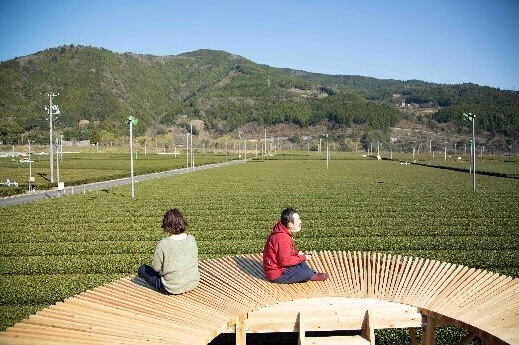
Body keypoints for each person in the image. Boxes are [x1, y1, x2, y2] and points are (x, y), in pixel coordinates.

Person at [138, 208, 200, 294]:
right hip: (193, 282)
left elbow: (156, 268)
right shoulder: (191, 239)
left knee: (142, 269)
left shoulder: (163, 244)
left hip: (172, 288)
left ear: (167, 226)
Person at [263, 207, 328, 283]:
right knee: (305, 271)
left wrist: (297, 254)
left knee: (300, 261)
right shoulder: (282, 238)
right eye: (298, 220)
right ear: (290, 224)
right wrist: (303, 257)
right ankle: (310, 275)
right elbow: (285, 261)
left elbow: (286, 253)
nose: (300, 222)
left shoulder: (283, 232)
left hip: (280, 265)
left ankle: (310, 273)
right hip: (277, 273)